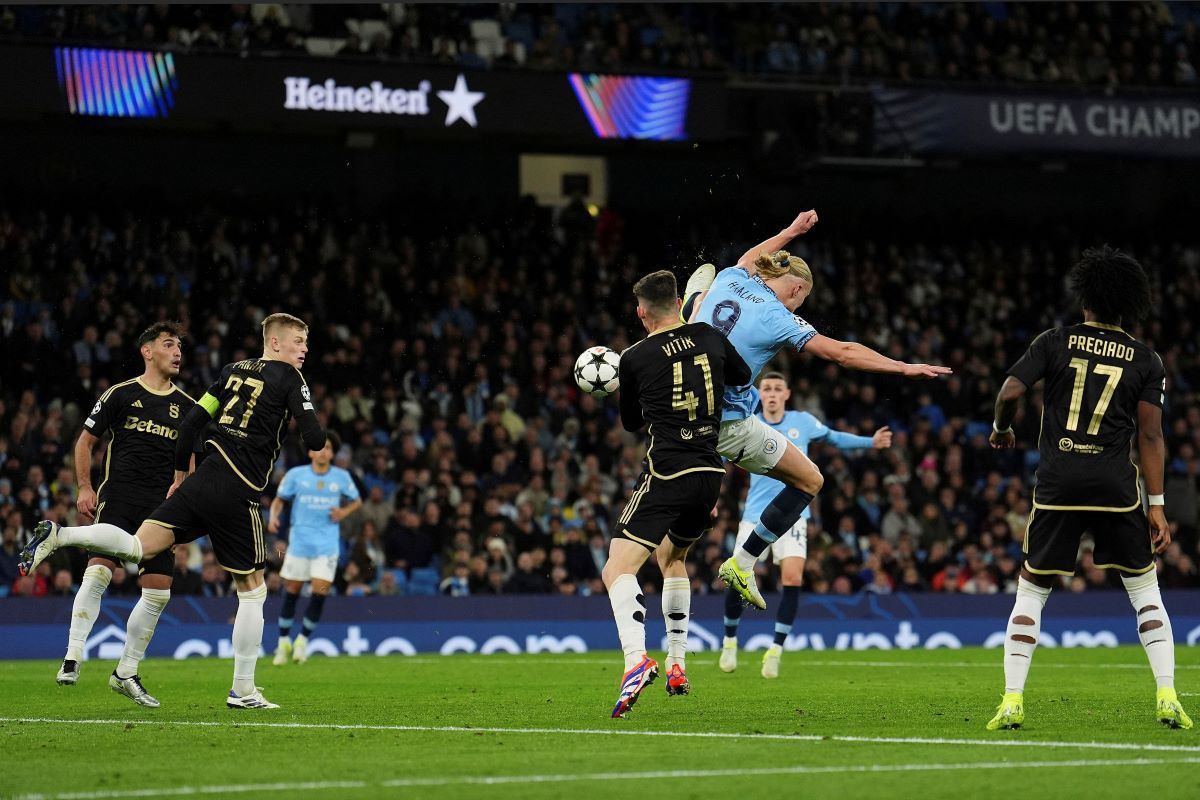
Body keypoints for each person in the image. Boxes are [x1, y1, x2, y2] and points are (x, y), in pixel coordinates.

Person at [22, 313, 327, 710]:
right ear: (275, 343)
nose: (304, 349)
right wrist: (297, 421)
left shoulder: (231, 371)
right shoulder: (290, 378)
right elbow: (316, 439)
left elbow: (191, 426)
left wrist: (181, 474)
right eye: (299, 342)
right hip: (237, 489)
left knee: (135, 549)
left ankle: (61, 536)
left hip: (197, 484)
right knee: (253, 591)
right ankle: (243, 690)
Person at [682, 209, 949, 610]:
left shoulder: (733, 276)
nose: (799, 305)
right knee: (809, 481)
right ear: (796, 291)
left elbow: (753, 255)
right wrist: (902, 366)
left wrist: (790, 231)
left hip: (679, 404)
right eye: (802, 299)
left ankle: (688, 310)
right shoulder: (779, 317)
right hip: (726, 424)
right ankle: (742, 562)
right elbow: (842, 353)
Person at [986, 246, 1191, 731]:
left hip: (1059, 483)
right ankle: (1167, 695)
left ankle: (1012, 700)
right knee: (1144, 591)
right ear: (1129, 305)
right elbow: (1151, 435)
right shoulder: (1146, 359)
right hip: (1116, 486)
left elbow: (1010, 391)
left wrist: (1002, 428)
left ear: (1085, 301)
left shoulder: (1055, 341)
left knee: (1032, 591)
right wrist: (1157, 506)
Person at [602, 270, 751, 718]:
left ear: (642, 312)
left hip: (668, 471)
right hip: (710, 472)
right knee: (673, 559)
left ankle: (635, 661)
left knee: (616, 568)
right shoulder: (708, 334)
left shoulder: (634, 356)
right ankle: (678, 664)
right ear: (681, 302)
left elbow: (631, 423)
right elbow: (741, 377)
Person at [57, 321, 194, 708]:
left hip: (161, 509)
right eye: (168, 344)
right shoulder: (121, 394)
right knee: (101, 569)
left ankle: (126, 673)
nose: (177, 352)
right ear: (147, 352)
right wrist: (84, 487)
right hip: (120, 496)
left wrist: (185, 496)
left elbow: (192, 461)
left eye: (179, 346)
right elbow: (85, 442)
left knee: (158, 592)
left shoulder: (186, 407)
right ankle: (72, 656)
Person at [720, 371, 891, 678]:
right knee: (737, 575)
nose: (771, 393)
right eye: (767, 389)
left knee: (793, 578)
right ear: (760, 394)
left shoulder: (804, 422)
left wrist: (871, 441)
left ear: (787, 394)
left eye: (777, 389)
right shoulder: (748, 422)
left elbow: (834, 438)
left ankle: (775, 650)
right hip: (753, 514)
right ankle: (730, 640)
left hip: (792, 517)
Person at [268, 431, 361, 665]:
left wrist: (343, 512)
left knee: (320, 591)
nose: (323, 451)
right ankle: (282, 643)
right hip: (299, 543)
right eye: (319, 447)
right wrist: (273, 518)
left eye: (328, 448)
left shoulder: (341, 477)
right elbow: (279, 499)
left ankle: (302, 640)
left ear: (332, 453)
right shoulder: (296, 475)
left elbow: (357, 500)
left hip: (327, 545)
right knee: (293, 590)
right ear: (310, 451)